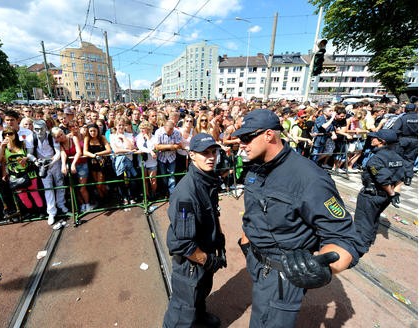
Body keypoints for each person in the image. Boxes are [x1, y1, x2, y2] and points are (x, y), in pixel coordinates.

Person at [232, 109, 361, 328]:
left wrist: (323, 270)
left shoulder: (309, 178)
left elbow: (345, 239)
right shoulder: (256, 167)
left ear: (269, 135)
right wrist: (247, 242)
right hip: (256, 262)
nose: (241, 144)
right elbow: (254, 211)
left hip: (283, 273)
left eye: (246, 138)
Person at [163, 133, 226, 328]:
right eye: (204, 153)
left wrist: (219, 243)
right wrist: (208, 261)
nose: (211, 157)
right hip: (191, 262)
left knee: (201, 292)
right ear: (192, 155)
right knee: (183, 309)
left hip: (205, 252)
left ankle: (199, 316)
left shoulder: (206, 180)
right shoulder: (186, 194)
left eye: (213, 152)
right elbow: (183, 243)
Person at [353, 129, 404, 255]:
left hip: (372, 195)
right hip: (385, 196)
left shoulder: (376, 160)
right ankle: (369, 240)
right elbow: (401, 177)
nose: (372, 139)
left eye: (375, 138)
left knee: (363, 221)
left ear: (382, 142)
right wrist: (395, 193)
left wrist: (392, 194)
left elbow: (382, 179)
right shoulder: (397, 157)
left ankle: (359, 248)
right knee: (374, 218)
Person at [0, 127, 44, 215]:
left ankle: (41, 211)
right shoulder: (2, 146)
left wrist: (25, 158)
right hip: (15, 175)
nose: (8, 136)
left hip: (29, 173)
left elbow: (30, 154)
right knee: (23, 196)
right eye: (5, 134)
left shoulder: (22, 144)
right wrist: (2, 146)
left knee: (34, 193)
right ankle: (31, 212)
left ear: (15, 135)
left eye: (10, 134)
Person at [31, 120, 71, 226]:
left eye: (41, 129)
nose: (39, 131)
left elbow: (58, 152)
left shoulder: (51, 137)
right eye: (36, 129)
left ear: (45, 128)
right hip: (42, 165)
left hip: (55, 164)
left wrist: (52, 162)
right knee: (48, 188)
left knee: (60, 184)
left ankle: (61, 204)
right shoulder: (32, 138)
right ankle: (51, 212)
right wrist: (36, 161)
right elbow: (30, 154)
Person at [392, 103, 417, 186]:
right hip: (415, 140)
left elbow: (395, 129)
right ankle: (408, 178)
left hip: (403, 139)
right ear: (415, 109)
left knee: (398, 157)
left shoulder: (402, 118)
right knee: (410, 159)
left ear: (405, 109)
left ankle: (397, 176)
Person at [155, 120, 182, 195]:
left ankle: (172, 194)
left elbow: (179, 145)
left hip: (172, 157)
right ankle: (166, 191)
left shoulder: (176, 132)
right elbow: (157, 146)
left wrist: (164, 147)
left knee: (171, 175)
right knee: (164, 176)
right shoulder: (158, 132)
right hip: (161, 157)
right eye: (169, 131)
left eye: (172, 130)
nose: (170, 132)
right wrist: (170, 146)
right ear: (164, 127)